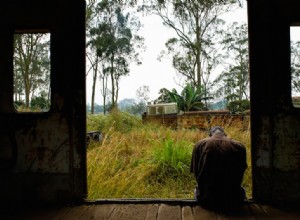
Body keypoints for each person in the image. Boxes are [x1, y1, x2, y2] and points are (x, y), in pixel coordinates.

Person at [190, 126, 247, 211]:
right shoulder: (239, 146)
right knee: (242, 191)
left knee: (196, 189)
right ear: (225, 134)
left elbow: (196, 171)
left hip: (206, 200)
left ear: (210, 135)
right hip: (233, 200)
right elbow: (241, 171)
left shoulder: (200, 145)